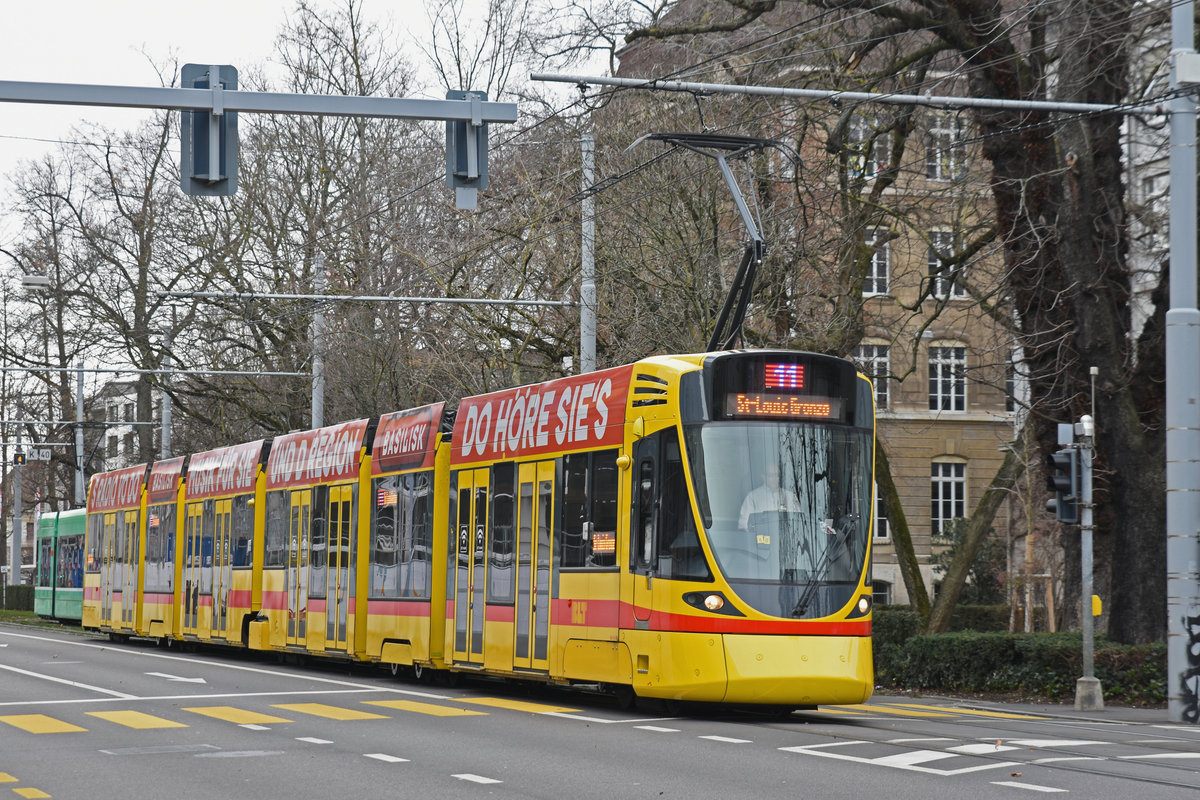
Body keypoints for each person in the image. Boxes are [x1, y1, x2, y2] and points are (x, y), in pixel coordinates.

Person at [738, 465, 802, 530]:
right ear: (763, 477)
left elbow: (800, 521)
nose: (775, 478)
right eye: (771, 475)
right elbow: (744, 524)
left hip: (785, 538)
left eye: (777, 475)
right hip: (760, 538)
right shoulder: (752, 497)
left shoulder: (790, 496)